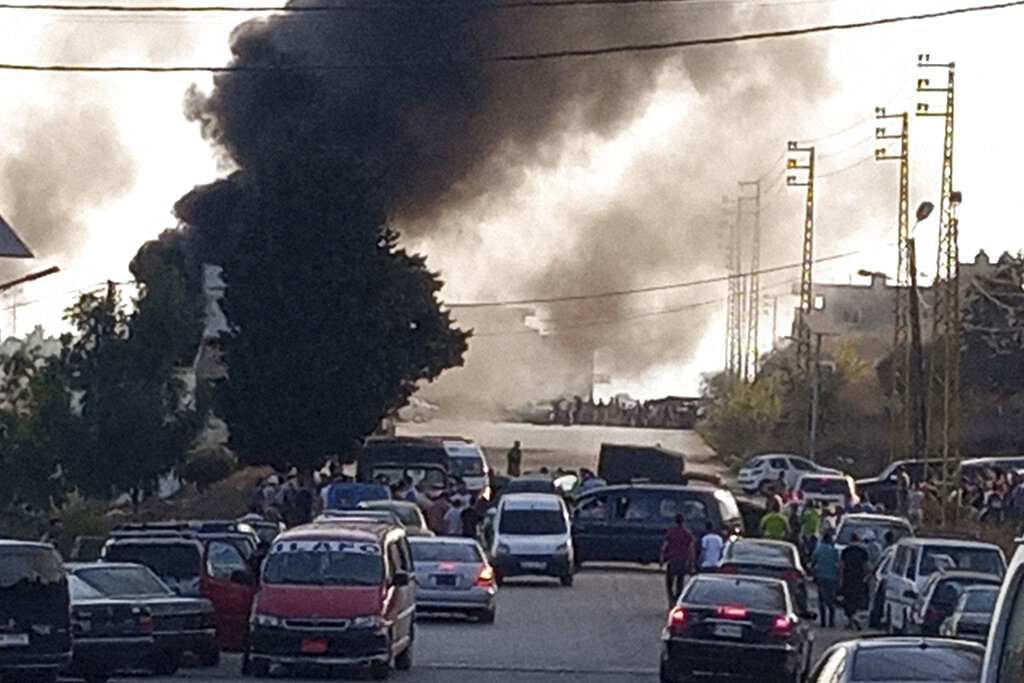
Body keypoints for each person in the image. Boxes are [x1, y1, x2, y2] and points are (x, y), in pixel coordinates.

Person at [661, 515, 695, 606]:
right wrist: (691, 561)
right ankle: (678, 598)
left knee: (669, 581)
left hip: (672, 559)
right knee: (680, 581)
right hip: (683, 559)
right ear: (683, 521)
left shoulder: (671, 532)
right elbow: (691, 548)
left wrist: (662, 558)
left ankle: (671, 599)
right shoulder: (687, 533)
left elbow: (665, 546)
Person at [839, 532, 870, 630]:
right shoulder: (863, 551)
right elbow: (866, 566)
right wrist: (866, 576)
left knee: (848, 599)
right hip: (858, 579)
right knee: (856, 599)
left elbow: (841, 566)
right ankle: (855, 617)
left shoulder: (846, 551)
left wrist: (840, 579)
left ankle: (850, 619)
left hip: (847, 578)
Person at [811, 531, 840, 628]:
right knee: (831, 599)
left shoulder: (819, 549)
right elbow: (839, 564)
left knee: (822, 599)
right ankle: (831, 621)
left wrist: (813, 570)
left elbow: (813, 560)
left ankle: (823, 621)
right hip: (832, 577)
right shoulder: (834, 551)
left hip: (821, 576)